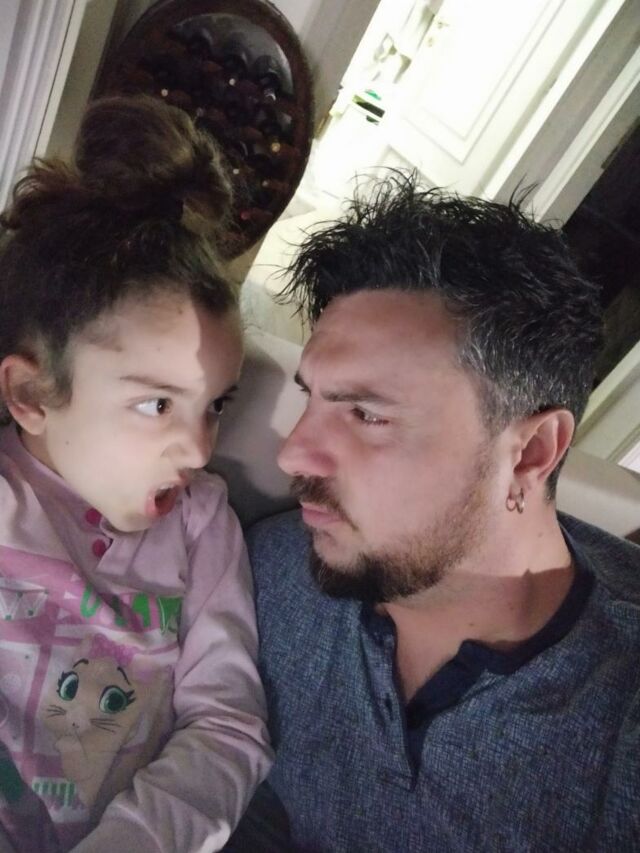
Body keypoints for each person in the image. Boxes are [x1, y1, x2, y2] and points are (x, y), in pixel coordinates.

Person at [227, 174, 640, 851]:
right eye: (312, 399)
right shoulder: (272, 572)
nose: (294, 453)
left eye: (366, 414)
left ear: (531, 453)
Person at [0, 95, 271, 852]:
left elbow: (226, 723)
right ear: (31, 394)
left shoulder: (200, 520)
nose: (199, 449)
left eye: (215, 405)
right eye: (157, 404)